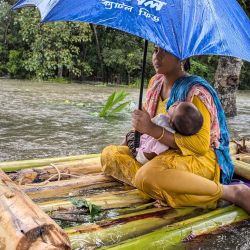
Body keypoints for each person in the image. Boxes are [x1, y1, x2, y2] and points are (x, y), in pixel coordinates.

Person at [101, 46, 250, 214]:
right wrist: (126, 144)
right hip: (158, 155)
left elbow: (200, 146)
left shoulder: (196, 92)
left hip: (195, 159)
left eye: (165, 51)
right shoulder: (155, 83)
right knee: (110, 154)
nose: (158, 56)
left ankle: (231, 192)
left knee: (146, 177)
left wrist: (153, 130)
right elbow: (142, 127)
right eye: (156, 50)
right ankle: (167, 189)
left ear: (182, 57)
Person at [126, 101, 203, 164]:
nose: (176, 102)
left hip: (141, 155)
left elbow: (152, 154)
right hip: (144, 143)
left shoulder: (167, 134)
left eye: (176, 106)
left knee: (129, 135)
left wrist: (140, 155)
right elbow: (147, 124)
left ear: (171, 121)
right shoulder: (164, 121)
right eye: (180, 102)